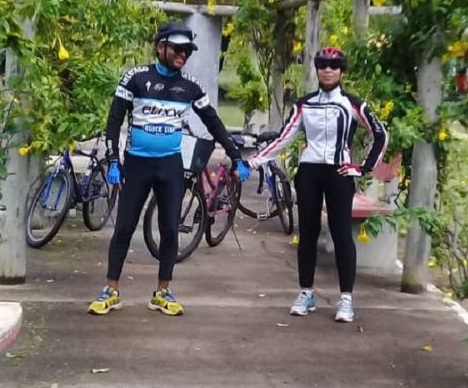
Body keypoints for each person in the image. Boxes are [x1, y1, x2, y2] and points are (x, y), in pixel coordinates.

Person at [88, 22, 250, 317]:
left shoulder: (190, 86)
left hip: (170, 165)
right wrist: (113, 161)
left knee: (169, 228)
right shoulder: (136, 78)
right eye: (178, 49)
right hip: (136, 164)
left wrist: (237, 157)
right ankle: (111, 290)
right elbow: (114, 121)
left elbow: (213, 122)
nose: (183, 55)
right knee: (124, 227)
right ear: (160, 47)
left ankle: (162, 291)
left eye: (188, 50)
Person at [249, 46, 388, 323]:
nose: (327, 70)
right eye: (322, 65)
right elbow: (284, 137)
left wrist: (363, 168)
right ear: (317, 69)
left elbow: (380, 134)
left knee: (341, 233)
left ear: (342, 71)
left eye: (334, 66)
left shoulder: (352, 104)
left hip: (339, 173)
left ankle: (346, 298)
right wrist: (253, 162)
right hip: (310, 171)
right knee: (308, 233)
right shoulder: (304, 104)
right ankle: (306, 293)